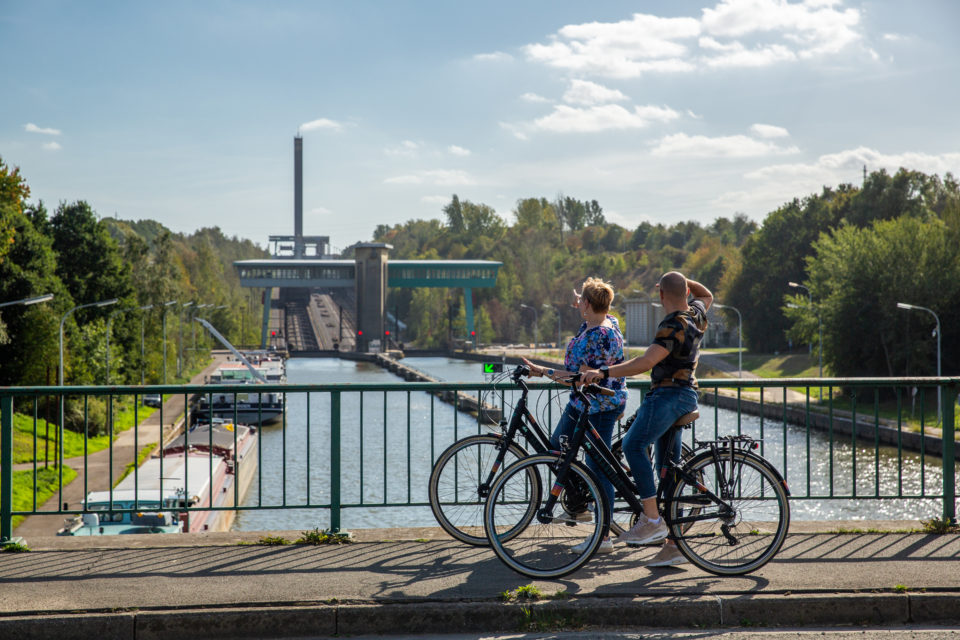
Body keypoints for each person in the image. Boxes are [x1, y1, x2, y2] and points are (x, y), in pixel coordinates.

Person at [583, 271, 712, 567]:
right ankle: (674, 546)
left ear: (661, 295)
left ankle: (651, 519)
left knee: (633, 445)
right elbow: (706, 295)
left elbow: (645, 362)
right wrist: (683, 282)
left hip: (667, 396)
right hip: (687, 394)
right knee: (669, 470)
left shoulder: (672, 324)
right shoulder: (696, 315)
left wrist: (602, 372)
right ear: (685, 293)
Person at [522, 277, 626, 554]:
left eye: (582, 300)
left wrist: (542, 371)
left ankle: (603, 537)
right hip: (581, 404)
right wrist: (583, 300)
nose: (578, 303)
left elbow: (576, 377)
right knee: (556, 447)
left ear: (588, 304)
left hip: (599, 406)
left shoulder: (598, 336)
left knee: (598, 468)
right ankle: (579, 505)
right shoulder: (604, 322)